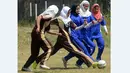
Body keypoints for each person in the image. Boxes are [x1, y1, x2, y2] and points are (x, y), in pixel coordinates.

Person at [32, 6, 97, 69]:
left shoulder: (69, 20)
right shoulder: (58, 19)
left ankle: (36, 61)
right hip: (65, 40)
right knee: (77, 51)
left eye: (69, 12)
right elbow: (47, 21)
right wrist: (39, 26)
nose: (69, 13)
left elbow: (76, 28)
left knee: (52, 51)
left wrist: (83, 25)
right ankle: (91, 63)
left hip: (61, 39)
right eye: (68, 12)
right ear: (64, 12)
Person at [21, 5, 60, 71]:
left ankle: (25, 67)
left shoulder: (47, 17)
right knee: (50, 48)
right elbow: (39, 17)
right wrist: (38, 27)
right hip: (39, 34)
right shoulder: (49, 15)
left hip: (35, 34)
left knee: (34, 54)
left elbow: (47, 30)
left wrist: (56, 33)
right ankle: (42, 63)